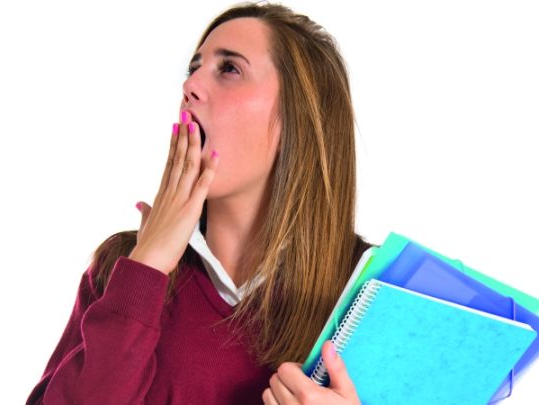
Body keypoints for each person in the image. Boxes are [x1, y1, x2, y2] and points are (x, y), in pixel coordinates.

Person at [26, 2, 372, 404]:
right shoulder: (122, 269)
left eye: (229, 69)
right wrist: (146, 265)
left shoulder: (370, 290)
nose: (190, 86)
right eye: (193, 68)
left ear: (298, 117)